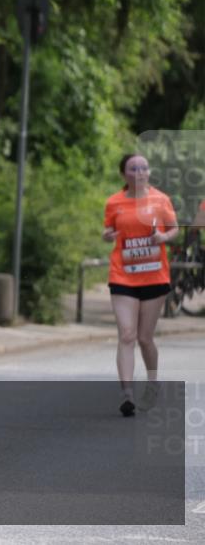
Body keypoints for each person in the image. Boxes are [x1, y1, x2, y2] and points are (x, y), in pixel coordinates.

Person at [102, 153, 179, 416]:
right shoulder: (114, 202)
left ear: (148, 173)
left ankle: (153, 379)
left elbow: (174, 229)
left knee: (145, 338)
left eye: (144, 168)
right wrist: (106, 235)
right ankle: (127, 395)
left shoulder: (160, 200)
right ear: (124, 174)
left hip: (154, 275)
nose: (139, 172)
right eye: (133, 169)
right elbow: (108, 231)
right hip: (123, 275)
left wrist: (163, 237)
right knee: (127, 334)